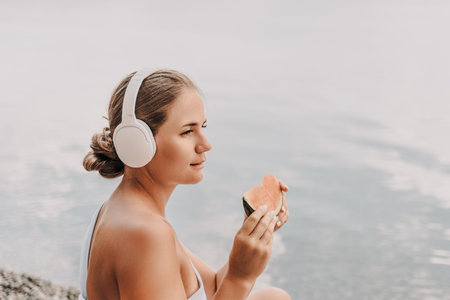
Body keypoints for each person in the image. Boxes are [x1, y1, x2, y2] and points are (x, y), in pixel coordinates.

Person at [80, 69, 291, 300]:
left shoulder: (132, 211)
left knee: (273, 297)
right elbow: (229, 287)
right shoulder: (144, 234)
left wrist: (252, 240)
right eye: (188, 131)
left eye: (203, 127)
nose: (206, 144)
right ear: (138, 142)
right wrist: (241, 278)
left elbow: (210, 288)